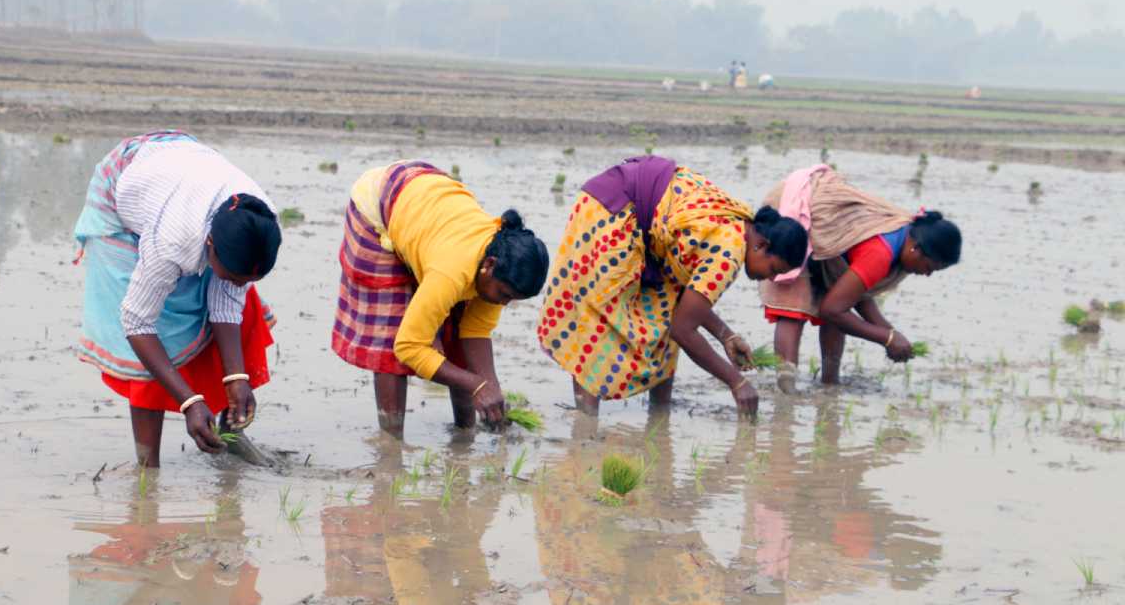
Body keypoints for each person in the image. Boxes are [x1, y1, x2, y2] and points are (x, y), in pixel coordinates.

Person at [536, 156, 807, 416]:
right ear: (762, 246)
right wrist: (736, 382)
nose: (770, 279)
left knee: (664, 306)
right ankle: (586, 423)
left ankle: (659, 414)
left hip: (635, 214)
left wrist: (727, 335)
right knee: (596, 316)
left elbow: (686, 307)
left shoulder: (741, 222)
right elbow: (683, 330)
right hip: (612, 211)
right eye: (773, 270)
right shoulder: (729, 253)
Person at [74, 130, 281, 467]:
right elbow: (137, 321)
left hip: (178, 170)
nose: (234, 283)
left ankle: (230, 433)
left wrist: (236, 377)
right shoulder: (171, 243)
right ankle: (147, 468)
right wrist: (189, 402)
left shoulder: (261, 221)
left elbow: (228, 297)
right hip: (123, 189)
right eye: (229, 274)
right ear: (210, 245)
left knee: (242, 309)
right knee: (163, 332)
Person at [331, 161, 549, 438]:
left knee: (454, 331)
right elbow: (408, 347)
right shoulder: (452, 271)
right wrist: (475, 385)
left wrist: (489, 384)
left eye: (513, 300)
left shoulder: (494, 268)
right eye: (505, 295)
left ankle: (464, 433)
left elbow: (475, 330)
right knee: (392, 334)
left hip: (427, 209)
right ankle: (391, 444)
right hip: (379, 205)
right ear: (489, 265)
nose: (504, 304)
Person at [758, 165, 962, 392]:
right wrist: (886, 337)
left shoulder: (902, 238)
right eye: (930, 266)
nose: (927, 274)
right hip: (797, 211)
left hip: (826, 229)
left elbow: (855, 296)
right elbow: (832, 310)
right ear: (916, 248)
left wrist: (890, 334)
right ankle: (786, 395)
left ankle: (829, 384)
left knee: (837, 299)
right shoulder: (880, 253)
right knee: (793, 307)